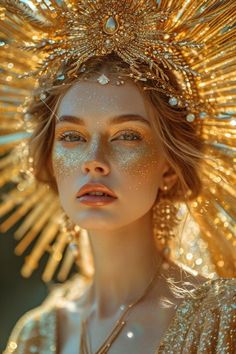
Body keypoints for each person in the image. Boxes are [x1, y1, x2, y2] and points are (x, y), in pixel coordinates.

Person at [1, 1, 235, 353]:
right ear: (49, 159)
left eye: (127, 135)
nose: (94, 162)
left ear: (168, 166)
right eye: (72, 137)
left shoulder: (222, 320)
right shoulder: (37, 334)